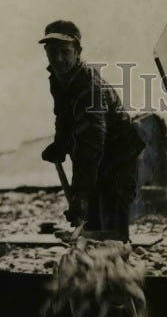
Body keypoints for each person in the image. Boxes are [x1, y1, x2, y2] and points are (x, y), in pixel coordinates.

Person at [38, 20, 144, 241]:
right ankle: (93, 269)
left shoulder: (89, 86)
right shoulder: (59, 80)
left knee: (111, 227)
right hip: (95, 156)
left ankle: (117, 271)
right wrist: (60, 143)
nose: (58, 59)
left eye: (65, 52)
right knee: (91, 225)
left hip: (118, 157)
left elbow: (91, 140)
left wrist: (80, 194)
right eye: (52, 52)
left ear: (78, 52)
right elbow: (64, 118)